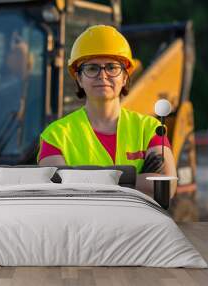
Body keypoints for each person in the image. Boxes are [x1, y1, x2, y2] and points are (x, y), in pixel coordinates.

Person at [36, 25, 177, 199]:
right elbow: (59, 195)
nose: (103, 76)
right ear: (79, 78)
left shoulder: (150, 129)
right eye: (92, 68)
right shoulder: (56, 136)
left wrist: (86, 181)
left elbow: (166, 188)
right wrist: (133, 179)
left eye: (112, 67)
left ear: (125, 77)